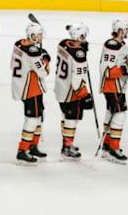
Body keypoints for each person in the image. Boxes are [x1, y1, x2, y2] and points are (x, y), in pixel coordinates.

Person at [11, 22, 51, 165]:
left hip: (24, 85)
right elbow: (43, 72)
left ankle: (33, 146)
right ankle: (22, 150)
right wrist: (45, 60)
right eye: (39, 35)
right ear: (32, 36)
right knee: (32, 118)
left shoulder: (18, 44)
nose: (41, 37)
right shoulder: (34, 52)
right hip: (30, 88)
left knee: (39, 116)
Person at [54, 23, 93, 160]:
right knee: (71, 119)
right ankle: (67, 147)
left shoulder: (62, 44)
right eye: (83, 35)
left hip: (60, 87)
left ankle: (66, 144)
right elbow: (77, 79)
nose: (85, 38)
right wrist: (85, 95)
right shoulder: (79, 54)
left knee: (66, 117)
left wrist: (80, 47)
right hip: (72, 92)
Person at [99, 19, 128, 164]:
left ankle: (107, 146)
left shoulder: (119, 45)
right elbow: (107, 71)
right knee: (119, 115)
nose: (127, 32)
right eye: (125, 29)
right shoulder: (112, 45)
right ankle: (114, 149)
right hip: (111, 86)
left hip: (116, 86)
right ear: (120, 30)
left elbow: (120, 61)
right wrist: (125, 69)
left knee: (111, 113)